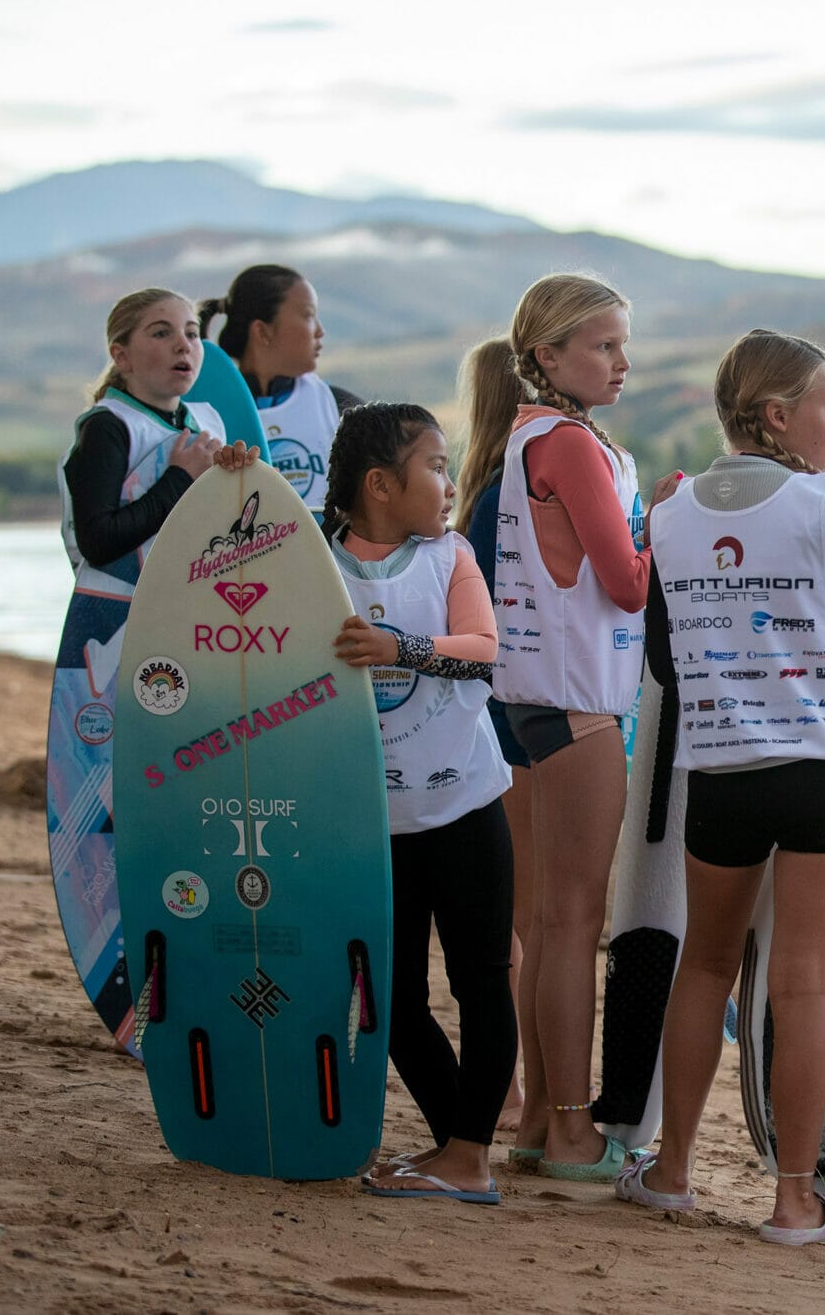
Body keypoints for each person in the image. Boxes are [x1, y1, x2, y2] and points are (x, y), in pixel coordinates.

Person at [616, 329, 825, 1245]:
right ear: (777, 415)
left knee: (706, 967)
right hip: (820, 773)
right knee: (802, 984)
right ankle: (794, 1203)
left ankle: (673, 1171)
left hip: (722, 772)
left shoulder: (675, 512)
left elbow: (665, 662)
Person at [481, 274, 680, 1181]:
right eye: (604, 345)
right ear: (547, 355)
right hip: (577, 700)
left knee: (539, 920)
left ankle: (531, 1122)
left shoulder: (521, 437)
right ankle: (569, 1129)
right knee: (572, 921)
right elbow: (629, 582)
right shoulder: (569, 443)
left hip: (522, 699)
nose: (622, 361)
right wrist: (667, 520)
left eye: (622, 343)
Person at [322, 402, 516, 1205]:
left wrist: (399, 649)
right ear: (379, 484)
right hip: (372, 823)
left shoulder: (450, 556)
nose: (448, 480)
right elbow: (241, 549)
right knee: (392, 999)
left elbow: (483, 651)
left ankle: (468, 1153)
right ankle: (457, 1147)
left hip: (467, 804)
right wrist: (235, 479)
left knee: (480, 983)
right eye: (435, 465)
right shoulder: (314, 563)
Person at [50, 289, 256, 1040]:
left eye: (192, 333)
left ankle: (194, 973)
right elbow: (102, 539)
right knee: (118, 813)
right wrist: (179, 479)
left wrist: (234, 483)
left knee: (185, 807)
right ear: (120, 353)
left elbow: (224, 535)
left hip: (189, 635)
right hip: (108, 645)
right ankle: (128, 987)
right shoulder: (107, 426)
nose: (183, 345)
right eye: (161, 332)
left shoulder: (205, 422)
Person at [452, 350, 537, 1136]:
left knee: (512, 920)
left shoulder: (473, 496)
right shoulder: (509, 490)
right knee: (522, 923)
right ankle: (517, 1093)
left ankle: (512, 1089)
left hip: (489, 715)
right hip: (521, 716)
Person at [197, 264, 362, 512]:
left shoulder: (339, 408)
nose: (320, 331)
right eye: (308, 315)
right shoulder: (205, 417)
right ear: (263, 331)